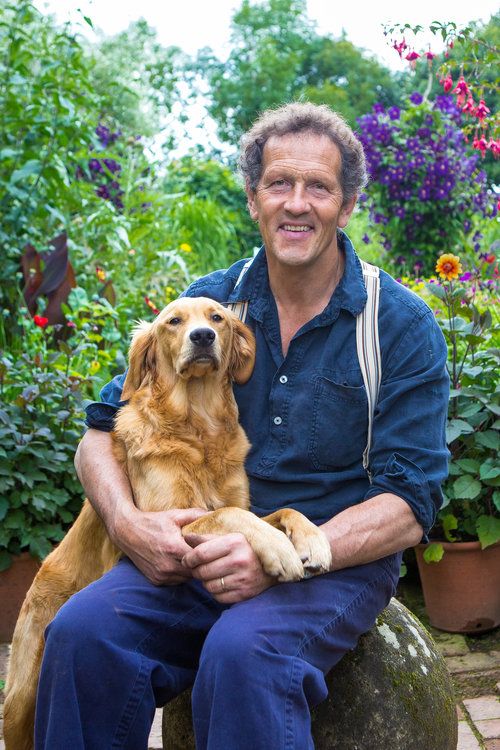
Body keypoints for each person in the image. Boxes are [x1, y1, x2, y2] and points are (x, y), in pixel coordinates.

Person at [35, 102, 449, 749]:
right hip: (200, 552)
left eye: (319, 187)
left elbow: (411, 498)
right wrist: (126, 523)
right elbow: (98, 433)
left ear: (346, 207)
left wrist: (298, 558)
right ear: (253, 197)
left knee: (244, 655)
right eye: (280, 183)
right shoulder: (211, 305)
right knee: (82, 634)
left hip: (333, 561)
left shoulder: (396, 323)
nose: (297, 202)